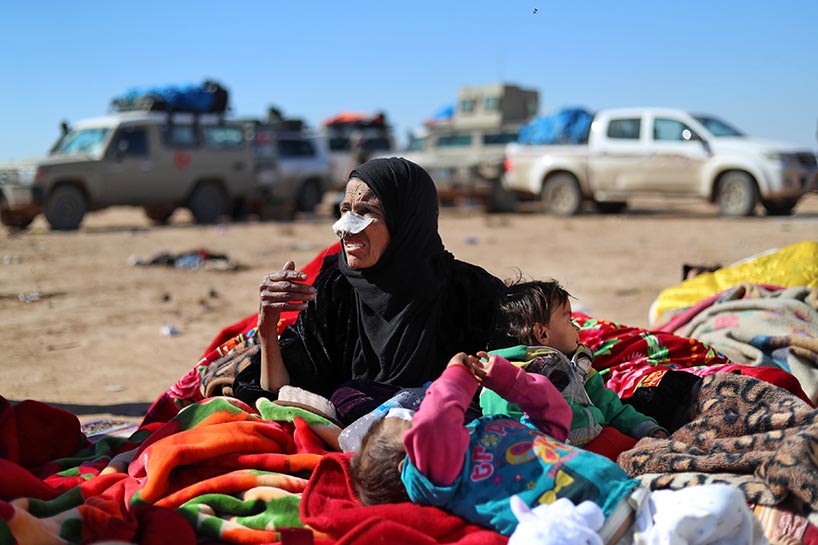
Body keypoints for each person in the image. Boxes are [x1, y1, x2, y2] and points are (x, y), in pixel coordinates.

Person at [349, 352, 767, 545]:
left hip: (635, 504)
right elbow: (435, 423)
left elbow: (554, 420)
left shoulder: (487, 430)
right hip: (584, 532)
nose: (415, 416)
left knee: (725, 502)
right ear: (405, 462)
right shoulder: (431, 473)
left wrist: (510, 381)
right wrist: (455, 376)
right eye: (405, 425)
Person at [232, 157, 507, 425]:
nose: (345, 229)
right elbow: (281, 393)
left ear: (407, 219)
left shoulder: (470, 293)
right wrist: (267, 330)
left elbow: (506, 385)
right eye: (344, 211)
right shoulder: (335, 289)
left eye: (366, 212)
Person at [481, 279, 668, 461]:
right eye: (569, 320)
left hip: (593, 445)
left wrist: (647, 428)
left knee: (621, 439)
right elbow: (508, 438)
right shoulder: (502, 382)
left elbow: (612, 408)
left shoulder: (579, 369)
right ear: (542, 333)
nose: (577, 327)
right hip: (549, 461)